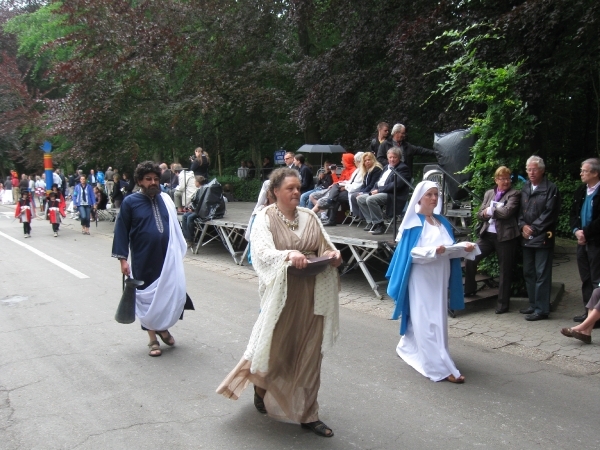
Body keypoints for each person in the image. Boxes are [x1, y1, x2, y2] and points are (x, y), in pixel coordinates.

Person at [216, 168, 342, 438]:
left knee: (310, 354)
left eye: (298, 187)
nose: (297, 192)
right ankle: (261, 387)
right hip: (282, 297)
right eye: (290, 188)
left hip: (312, 295)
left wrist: (333, 254)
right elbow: (261, 254)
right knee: (277, 351)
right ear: (275, 192)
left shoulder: (309, 217)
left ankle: (309, 414)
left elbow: (325, 246)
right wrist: (288, 255)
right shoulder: (265, 217)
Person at [386, 181, 477, 383]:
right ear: (419, 197)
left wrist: (464, 248)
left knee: (436, 319)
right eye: (430, 194)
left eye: (436, 194)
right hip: (421, 278)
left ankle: (409, 346)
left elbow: (450, 248)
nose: (434, 198)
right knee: (426, 320)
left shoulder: (442, 221)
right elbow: (409, 254)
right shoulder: (413, 223)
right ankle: (438, 368)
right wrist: (432, 251)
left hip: (440, 276)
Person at [112, 161, 193, 357]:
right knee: (147, 298)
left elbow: (174, 228)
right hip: (143, 258)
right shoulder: (130, 202)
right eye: (148, 179)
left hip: (167, 258)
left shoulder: (165, 199)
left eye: (156, 179)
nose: (153, 182)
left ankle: (163, 328)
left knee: (169, 294)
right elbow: (121, 231)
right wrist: (123, 259)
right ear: (139, 181)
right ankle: (153, 339)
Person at [464, 166, 521, 313]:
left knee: (505, 270)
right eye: (502, 178)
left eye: (508, 178)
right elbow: (479, 214)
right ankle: (470, 289)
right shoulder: (490, 193)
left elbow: (507, 212)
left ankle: (503, 304)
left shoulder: (515, 194)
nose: (506, 181)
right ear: (496, 180)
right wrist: (488, 212)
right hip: (487, 235)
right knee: (471, 257)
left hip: (505, 237)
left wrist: (490, 211)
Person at [517, 156, 560, 321]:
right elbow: (520, 211)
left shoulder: (551, 189)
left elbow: (549, 213)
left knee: (542, 273)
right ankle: (533, 304)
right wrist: (522, 226)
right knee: (528, 272)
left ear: (542, 170)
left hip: (542, 237)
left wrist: (533, 228)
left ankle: (542, 309)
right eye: (529, 169)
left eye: (534, 169)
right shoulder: (525, 186)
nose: (531, 172)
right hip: (526, 237)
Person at [570, 158, 600, 324]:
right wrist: (576, 231)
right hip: (581, 241)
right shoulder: (581, 191)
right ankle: (588, 312)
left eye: (585, 171)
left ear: (595, 173)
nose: (581, 173)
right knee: (586, 278)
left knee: (597, 279)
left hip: (596, 241)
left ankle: (596, 316)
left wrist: (586, 233)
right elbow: (573, 214)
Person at [357, 147, 410, 235]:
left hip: (393, 194)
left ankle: (380, 224)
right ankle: (371, 222)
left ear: (399, 157)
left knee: (370, 199)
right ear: (387, 157)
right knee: (360, 199)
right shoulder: (386, 167)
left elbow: (396, 185)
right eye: (390, 157)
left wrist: (379, 190)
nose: (392, 159)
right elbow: (379, 181)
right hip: (380, 191)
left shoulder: (403, 168)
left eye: (394, 157)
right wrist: (374, 189)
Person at [349, 152, 383, 220]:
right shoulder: (367, 170)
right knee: (353, 195)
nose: (367, 162)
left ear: (373, 160)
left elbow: (372, 184)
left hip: (373, 190)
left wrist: (361, 193)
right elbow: (364, 184)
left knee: (358, 196)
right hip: (367, 190)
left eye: (369, 160)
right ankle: (358, 215)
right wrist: (361, 191)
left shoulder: (376, 169)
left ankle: (364, 217)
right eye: (365, 160)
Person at [181, 176, 208, 246]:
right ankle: (187, 237)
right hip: (197, 209)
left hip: (202, 211)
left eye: (195, 181)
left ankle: (191, 239)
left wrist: (193, 209)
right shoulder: (200, 190)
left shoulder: (203, 190)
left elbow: (201, 203)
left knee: (190, 217)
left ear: (197, 183)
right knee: (184, 216)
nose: (194, 183)